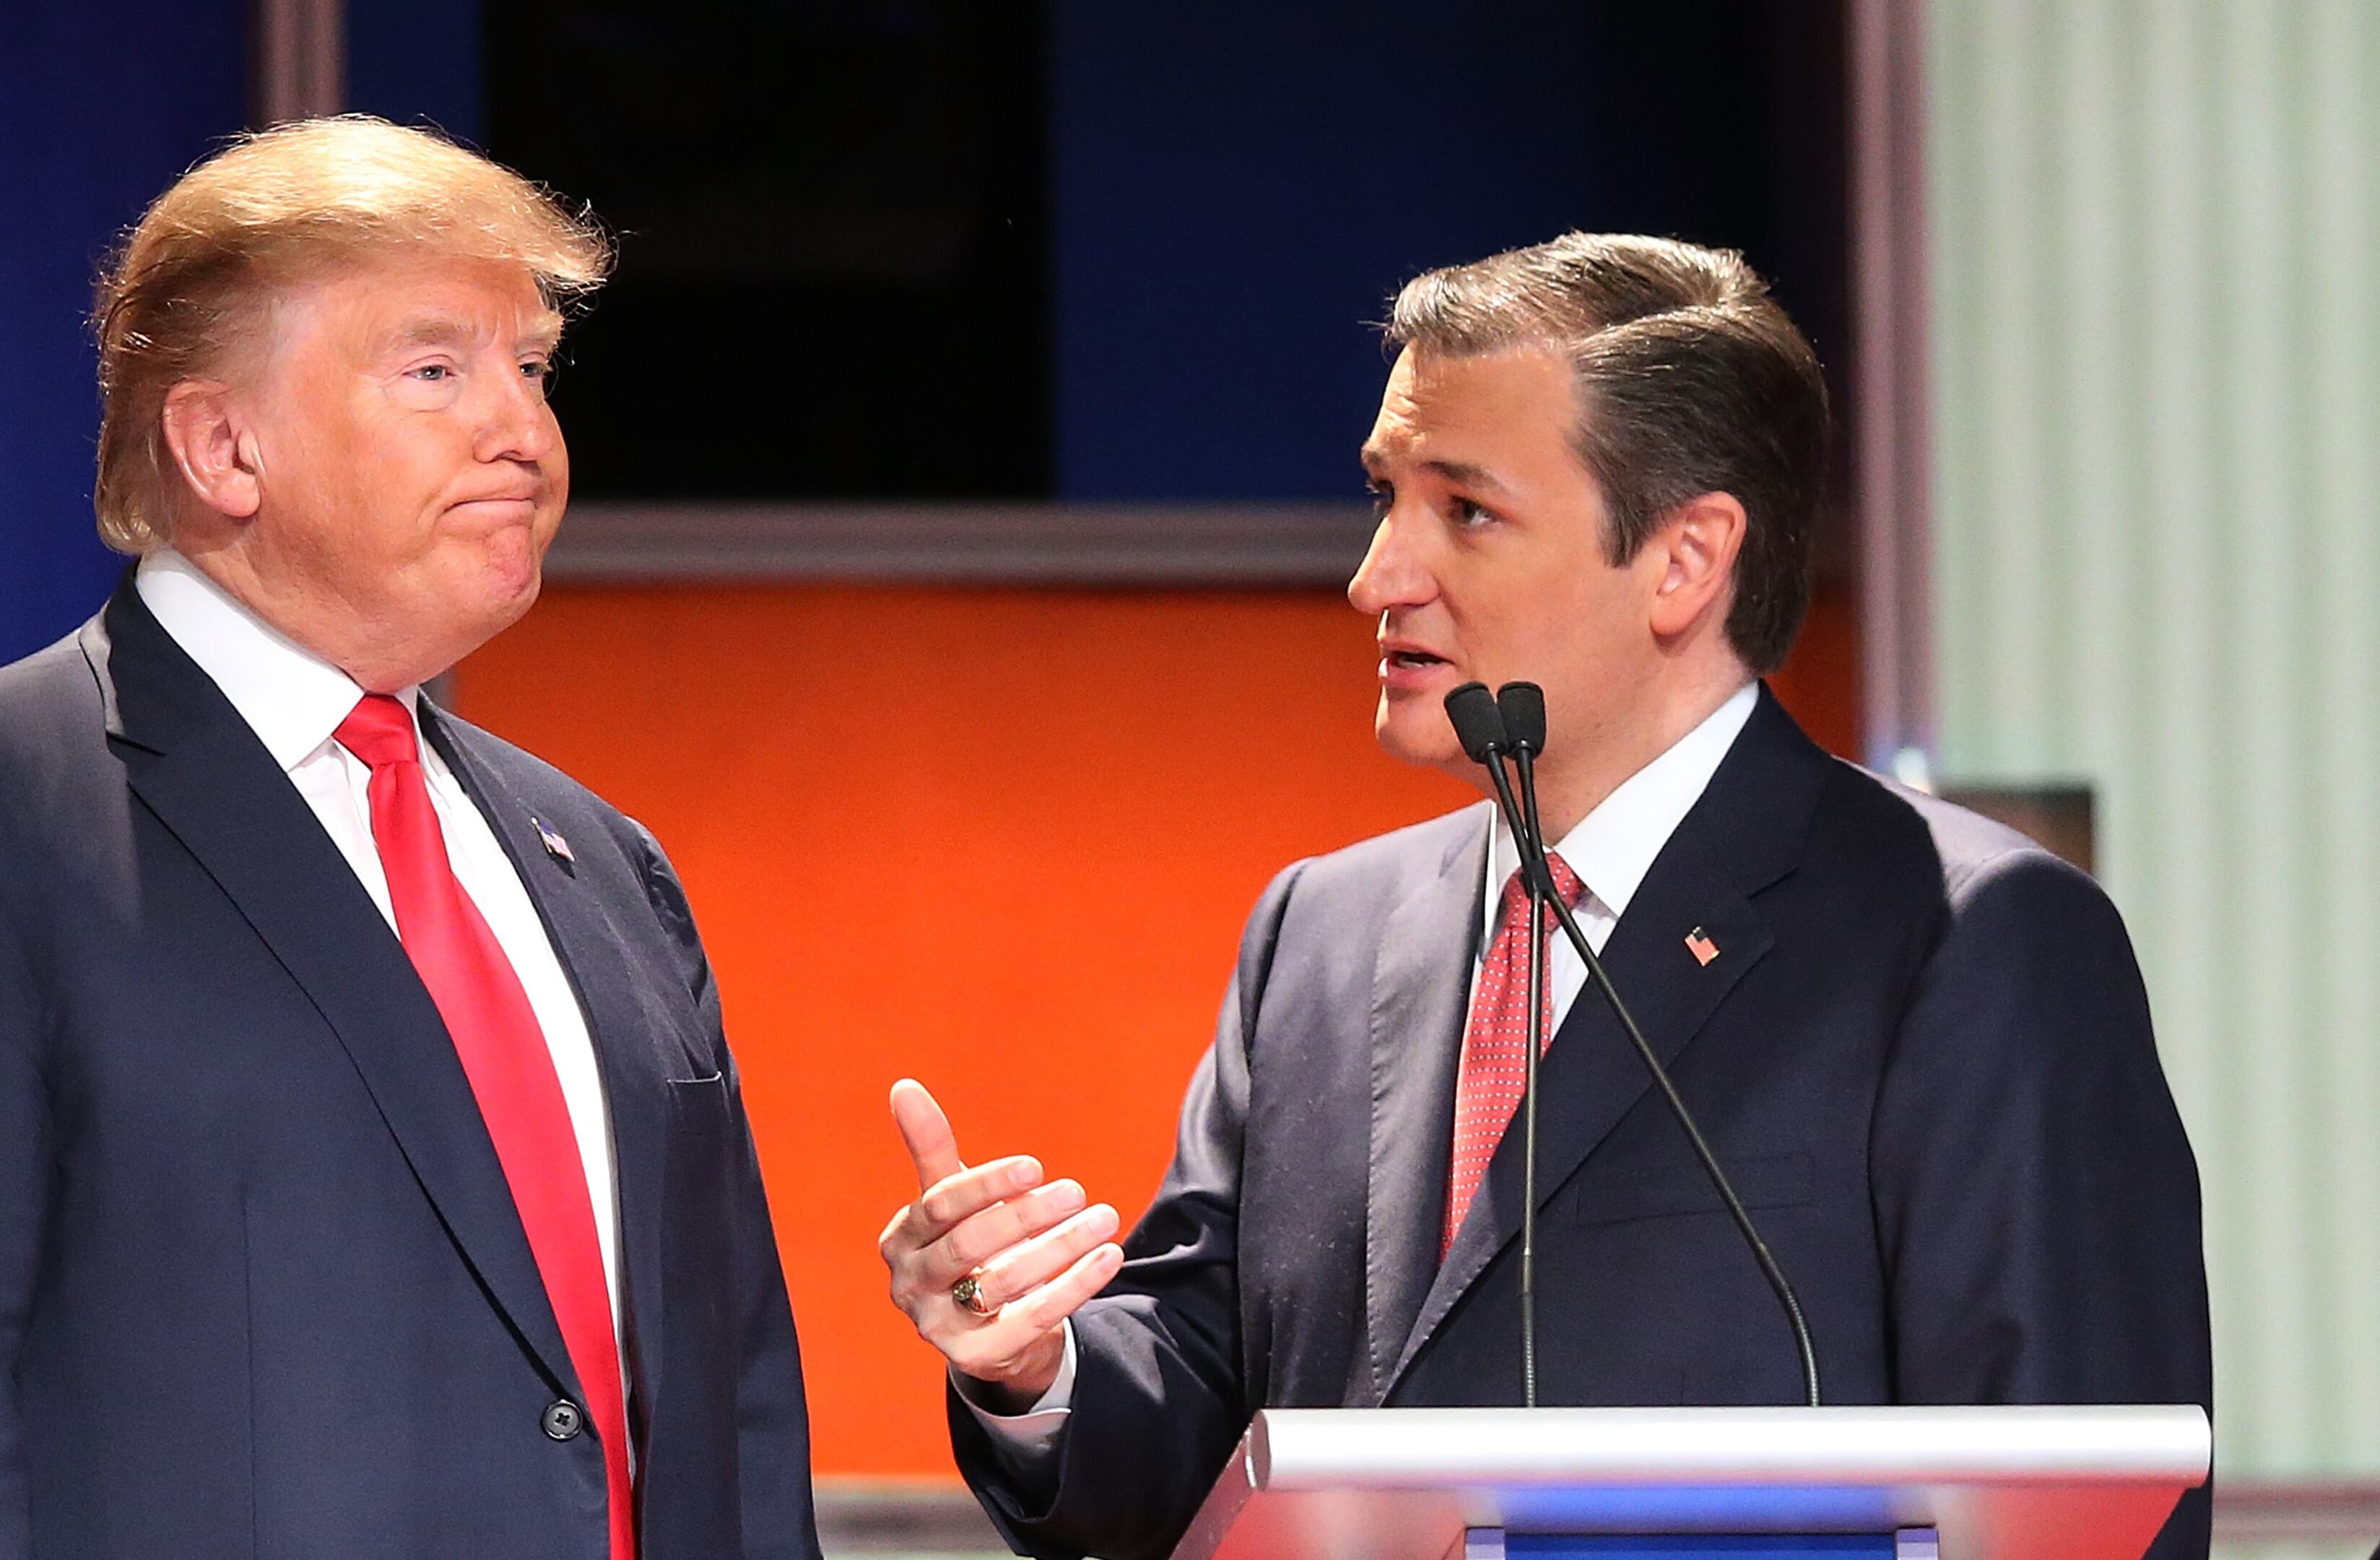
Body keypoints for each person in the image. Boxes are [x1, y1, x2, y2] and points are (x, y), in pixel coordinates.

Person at [878, 233, 2210, 1560]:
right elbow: (1200, 1425)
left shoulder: (1966, 941)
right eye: (1383, 497)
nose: (1377, 577)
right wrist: (1035, 1366)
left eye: (1465, 511)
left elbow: (2087, 1503)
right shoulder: (1321, 935)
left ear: (1686, 560)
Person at [0, 116, 817, 1560]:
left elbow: (728, 1408)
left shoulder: (602, 862)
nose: (522, 431)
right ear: (223, 444)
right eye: (437, 371)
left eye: (532, 368)